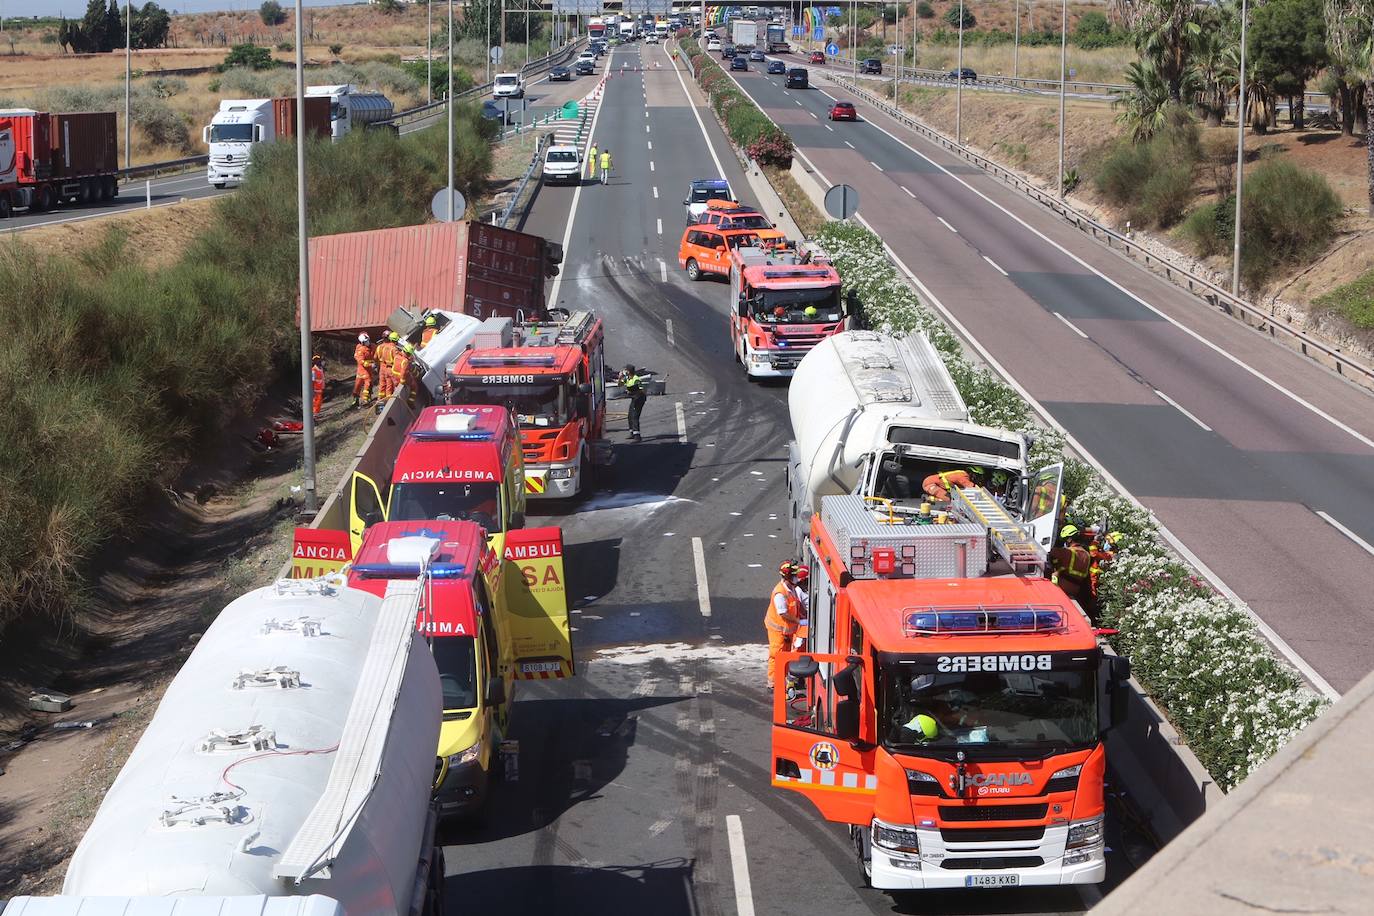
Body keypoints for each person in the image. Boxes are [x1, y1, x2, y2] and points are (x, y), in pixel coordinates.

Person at [765, 561, 804, 688]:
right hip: (778, 632)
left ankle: (783, 679)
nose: (797, 577)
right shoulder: (780, 593)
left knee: (785, 656)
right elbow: (783, 613)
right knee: (777, 656)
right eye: (794, 575)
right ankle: (773, 684)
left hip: (786, 631)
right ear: (788, 577)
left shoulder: (791, 588)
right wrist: (798, 621)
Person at [1049, 524, 1093, 602]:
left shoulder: (1067, 552)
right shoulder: (1087, 555)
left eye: (1064, 540)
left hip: (1061, 587)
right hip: (1076, 590)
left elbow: (1051, 552)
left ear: (1069, 539)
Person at [619, 364, 646, 440]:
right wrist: (620, 377)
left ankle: (637, 435)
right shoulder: (627, 378)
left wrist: (630, 392)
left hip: (639, 399)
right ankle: (632, 432)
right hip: (634, 398)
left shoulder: (636, 379)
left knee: (635, 416)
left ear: (628, 371)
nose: (624, 371)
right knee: (630, 415)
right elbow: (620, 384)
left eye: (625, 370)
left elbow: (641, 390)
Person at [351, 333, 374, 408]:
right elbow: (360, 360)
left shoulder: (371, 346)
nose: (368, 342)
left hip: (368, 369)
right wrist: (371, 364)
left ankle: (366, 399)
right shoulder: (360, 349)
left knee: (369, 384)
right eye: (366, 341)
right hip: (362, 369)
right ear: (362, 342)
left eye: (368, 340)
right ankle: (358, 400)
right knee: (358, 385)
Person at [375, 332, 397, 402]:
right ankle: (390, 400)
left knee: (382, 383)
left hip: (381, 366)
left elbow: (375, 358)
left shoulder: (379, 347)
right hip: (389, 367)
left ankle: (380, 399)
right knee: (390, 384)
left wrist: (378, 366)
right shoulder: (391, 347)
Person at [310, 354, 325, 418]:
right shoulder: (313, 370)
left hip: (320, 388)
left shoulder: (320, 369)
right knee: (316, 402)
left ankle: (317, 413)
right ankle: (314, 414)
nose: (318, 361)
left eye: (319, 360)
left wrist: (323, 386)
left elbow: (322, 379)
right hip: (315, 389)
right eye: (317, 360)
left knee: (319, 401)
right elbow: (312, 380)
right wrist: (312, 389)